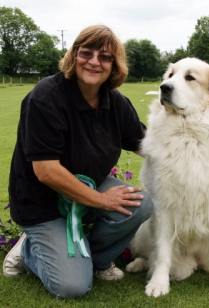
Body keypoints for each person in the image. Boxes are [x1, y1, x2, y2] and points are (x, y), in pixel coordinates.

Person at [3, 25, 154, 299]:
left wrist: (195, 151)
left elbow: (148, 146)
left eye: (105, 56)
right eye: (87, 52)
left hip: (88, 188)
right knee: (72, 287)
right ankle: (30, 251)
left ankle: (94, 260)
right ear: (74, 56)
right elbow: (47, 172)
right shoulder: (45, 98)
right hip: (42, 204)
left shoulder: (116, 103)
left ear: (114, 64)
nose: (94, 61)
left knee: (140, 204)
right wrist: (102, 201)